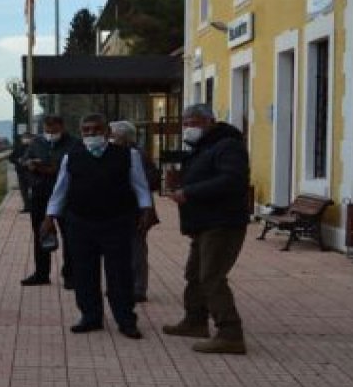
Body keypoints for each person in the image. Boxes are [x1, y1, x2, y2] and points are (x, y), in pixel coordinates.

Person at [40, 113, 155, 339]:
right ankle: (90, 317)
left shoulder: (128, 155)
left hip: (117, 222)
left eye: (96, 129)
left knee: (120, 274)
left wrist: (146, 210)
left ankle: (126, 320)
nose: (91, 134)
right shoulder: (71, 156)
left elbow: (140, 186)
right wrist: (49, 216)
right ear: (81, 132)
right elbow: (60, 189)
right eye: (86, 130)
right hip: (81, 223)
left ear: (107, 132)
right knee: (84, 273)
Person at [162, 104, 251, 354]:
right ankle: (195, 321)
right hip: (204, 223)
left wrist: (188, 192)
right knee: (194, 274)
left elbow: (232, 180)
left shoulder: (228, 145)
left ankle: (230, 333)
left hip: (222, 223)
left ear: (210, 121)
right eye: (186, 123)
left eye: (194, 122)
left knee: (211, 276)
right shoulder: (204, 148)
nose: (189, 128)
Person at [19, 116, 79, 287]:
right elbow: (23, 161)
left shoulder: (74, 143)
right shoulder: (37, 142)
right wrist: (30, 166)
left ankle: (70, 275)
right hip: (40, 194)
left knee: (69, 235)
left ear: (62, 127)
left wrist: (52, 168)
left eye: (54, 130)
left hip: (65, 195)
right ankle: (41, 273)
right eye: (47, 130)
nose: (50, 134)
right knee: (41, 233)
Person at [109, 120, 160, 302]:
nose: (109, 139)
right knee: (123, 249)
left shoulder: (137, 154)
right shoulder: (118, 153)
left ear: (123, 137)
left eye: (112, 135)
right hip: (123, 209)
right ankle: (123, 285)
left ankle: (138, 288)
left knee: (136, 249)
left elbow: (151, 180)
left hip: (137, 209)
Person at [9, 133, 35, 213]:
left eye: (27, 138)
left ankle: (34, 206)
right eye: (24, 138)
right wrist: (17, 160)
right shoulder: (18, 148)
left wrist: (32, 161)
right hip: (21, 172)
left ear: (31, 139)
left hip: (32, 172)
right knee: (24, 190)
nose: (25, 139)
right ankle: (27, 207)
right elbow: (11, 158)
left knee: (34, 190)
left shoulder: (35, 147)